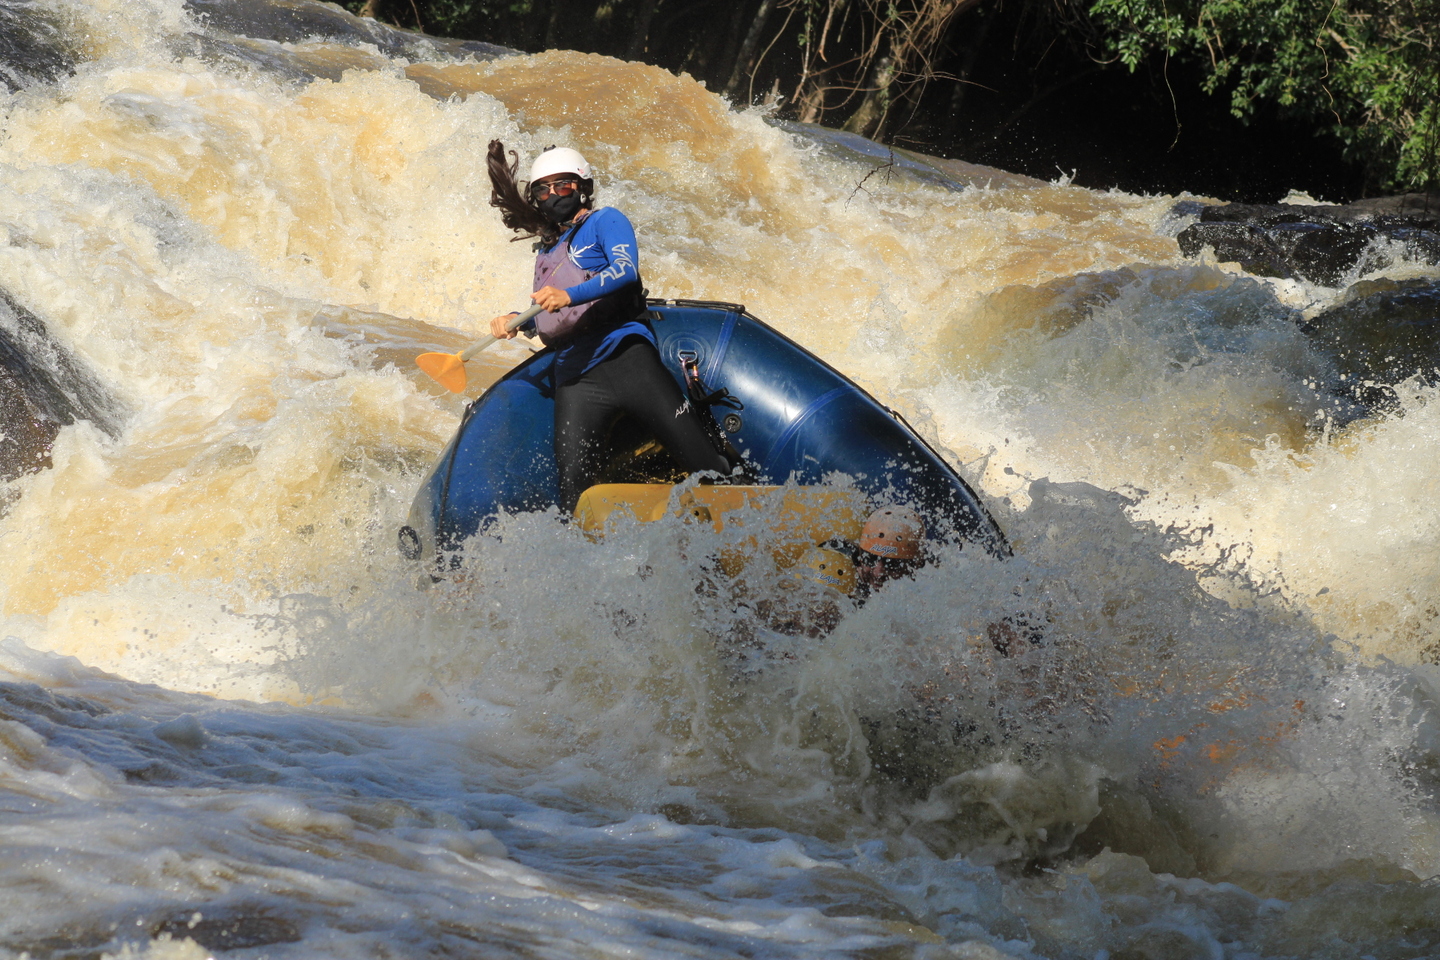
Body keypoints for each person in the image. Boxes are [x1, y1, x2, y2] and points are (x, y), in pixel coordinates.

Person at [485, 141, 732, 513]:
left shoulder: (605, 221)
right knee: (576, 497)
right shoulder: (548, 250)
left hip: (626, 359)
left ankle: (736, 504)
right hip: (576, 378)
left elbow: (624, 270)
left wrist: (568, 295)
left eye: (562, 185)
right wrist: (516, 321)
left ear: (582, 186)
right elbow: (552, 312)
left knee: (705, 466)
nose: (553, 194)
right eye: (543, 189)